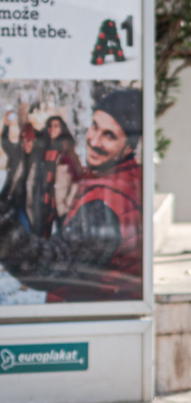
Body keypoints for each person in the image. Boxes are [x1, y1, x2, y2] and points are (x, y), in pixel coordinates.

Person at [0, 89, 144, 302]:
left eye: (109, 135)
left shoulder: (106, 204)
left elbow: (48, 266)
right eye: (95, 126)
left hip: (89, 320)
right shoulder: (121, 177)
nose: (94, 141)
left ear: (128, 147)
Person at [0, 115, 47, 237]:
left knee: (28, 227)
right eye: (23, 141)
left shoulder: (39, 153)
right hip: (12, 197)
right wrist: (6, 125)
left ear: (34, 141)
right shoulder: (16, 151)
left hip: (30, 201)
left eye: (29, 141)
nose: (26, 145)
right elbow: (5, 142)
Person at [41, 116, 83, 234]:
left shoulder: (67, 152)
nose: (52, 129)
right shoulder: (45, 151)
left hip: (62, 206)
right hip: (47, 202)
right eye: (50, 126)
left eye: (56, 126)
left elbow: (78, 179)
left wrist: (68, 203)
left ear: (62, 129)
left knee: (63, 239)